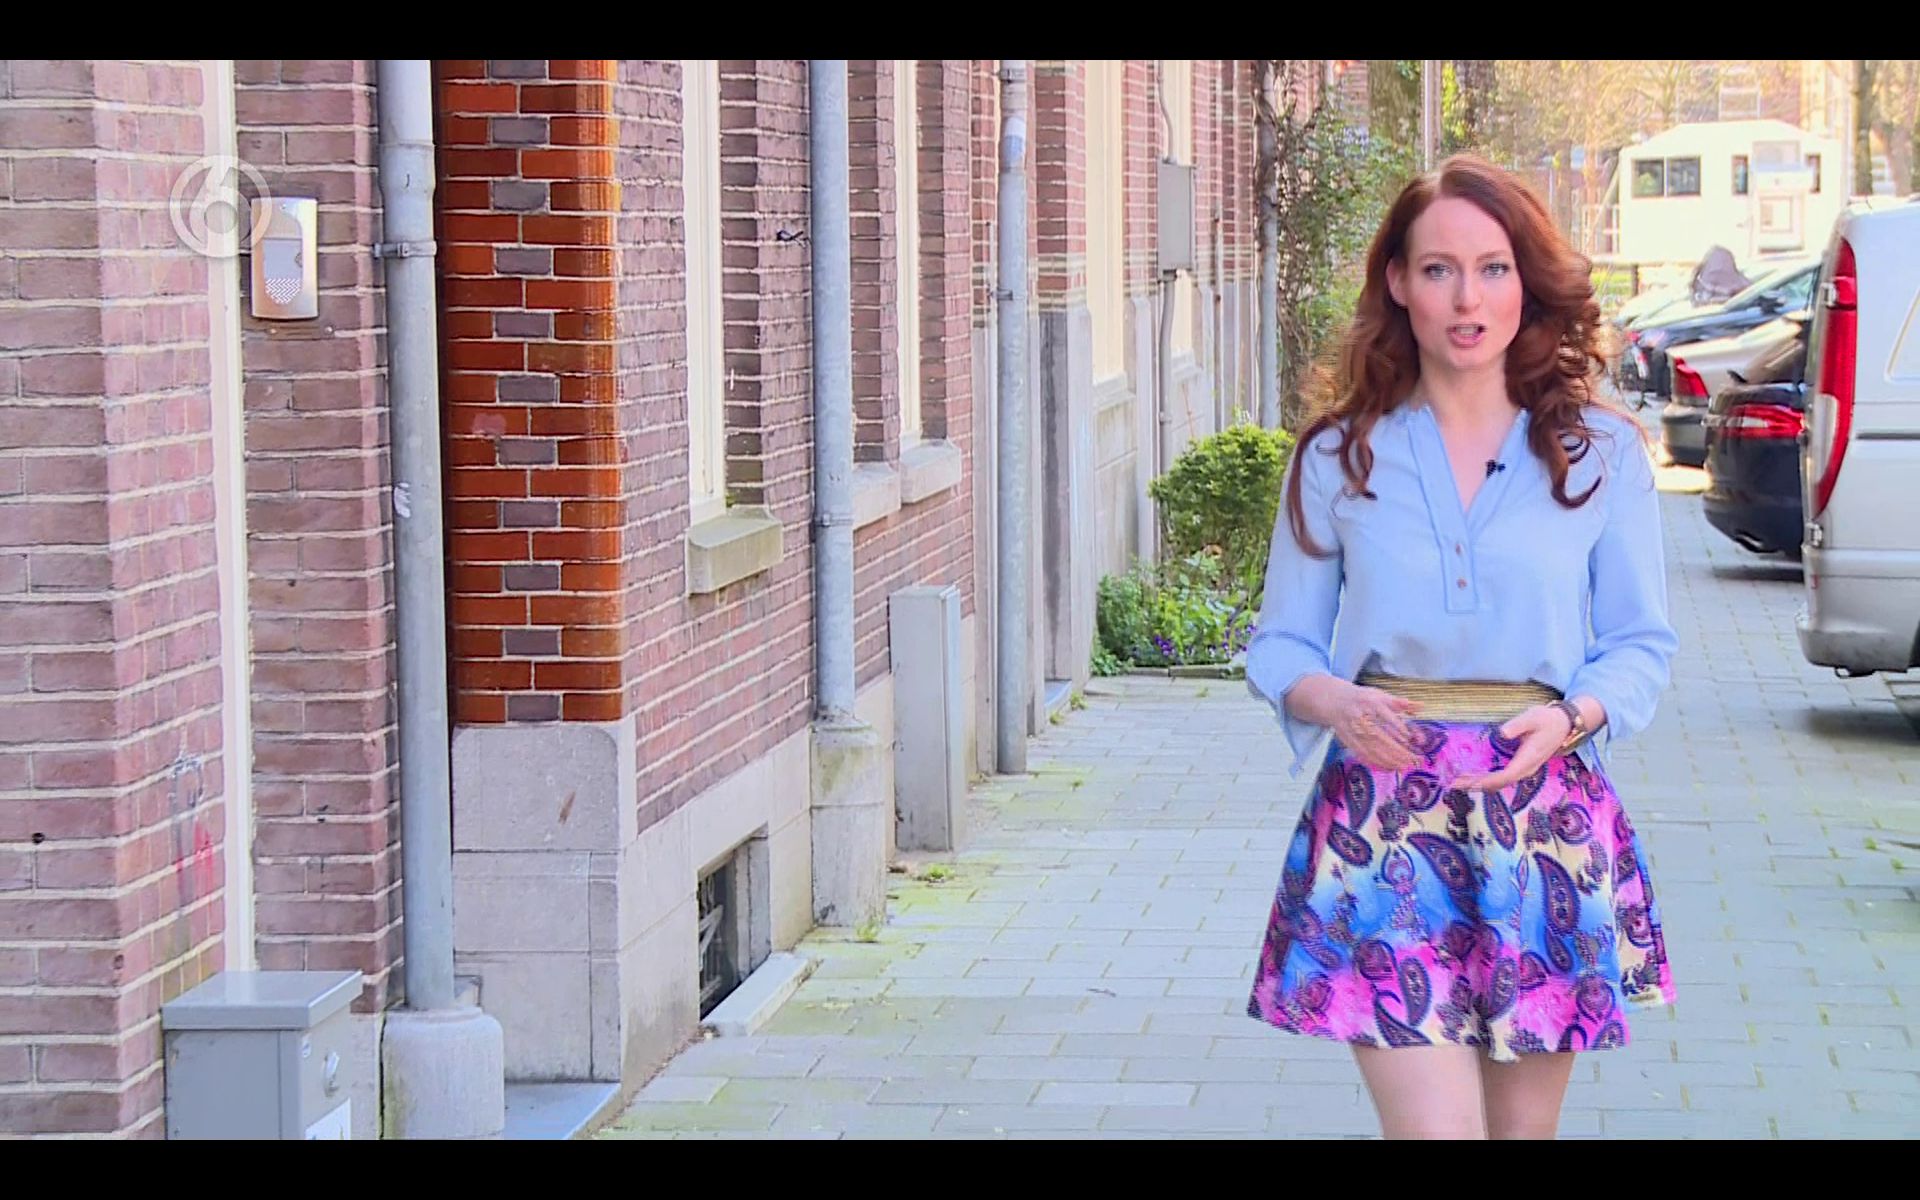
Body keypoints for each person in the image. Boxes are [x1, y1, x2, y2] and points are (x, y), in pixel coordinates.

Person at [1243, 154, 1679, 1140]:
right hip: (1382, 821)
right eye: (1439, 269)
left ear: (1528, 282)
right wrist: (1332, 700)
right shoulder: (1338, 454)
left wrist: (1574, 717)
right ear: (1399, 282)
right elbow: (1280, 643)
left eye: (1492, 268)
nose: (1467, 298)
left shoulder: (1601, 453)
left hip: (1544, 820)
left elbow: (1640, 644)